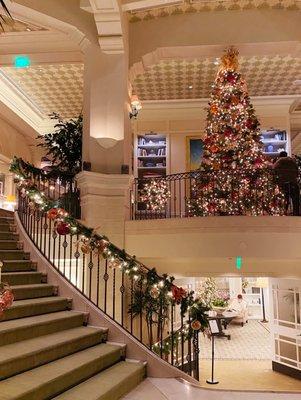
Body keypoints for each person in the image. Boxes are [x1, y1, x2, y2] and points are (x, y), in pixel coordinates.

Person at [273, 151, 300, 216]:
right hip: (293, 182)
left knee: (284, 197)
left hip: (283, 182)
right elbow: (297, 171)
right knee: (295, 197)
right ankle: (296, 212)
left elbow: (274, 170)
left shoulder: (278, 161)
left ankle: (284, 211)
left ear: (280, 156)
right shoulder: (292, 161)